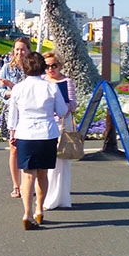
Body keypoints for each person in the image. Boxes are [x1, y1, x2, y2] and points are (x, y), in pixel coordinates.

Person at [8, 52, 69, 230]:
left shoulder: (18, 88)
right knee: (43, 174)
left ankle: (26, 213)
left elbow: (13, 115)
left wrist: (12, 133)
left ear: (24, 68)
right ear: (43, 67)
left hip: (25, 132)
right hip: (46, 132)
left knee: (27, 175)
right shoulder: (51, 87)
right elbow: (62, 110)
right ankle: (39, 211)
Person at [0, 37, 31, 198]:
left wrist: (13, 88)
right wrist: (14, 92)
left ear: (28, 51)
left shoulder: (33, 67)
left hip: (29, 112)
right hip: (12, 112)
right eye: (17, 49)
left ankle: (28, 183)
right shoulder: (6, 68)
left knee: (29, 148)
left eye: (23, 49)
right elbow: (0, 92)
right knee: (14, 148)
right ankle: (16, 185)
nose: (19, 52)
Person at [42, 51, 77, 210]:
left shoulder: (66, 82)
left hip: (63, 123)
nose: (51, 69)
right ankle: (47, 196)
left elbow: (72, 104)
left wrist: (61, 109)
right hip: (47, 124)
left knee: (62, 161)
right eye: (47, 66)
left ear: (60, 66)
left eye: (54, 66)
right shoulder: (42, 81)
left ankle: (61, 197)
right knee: (47, 162)